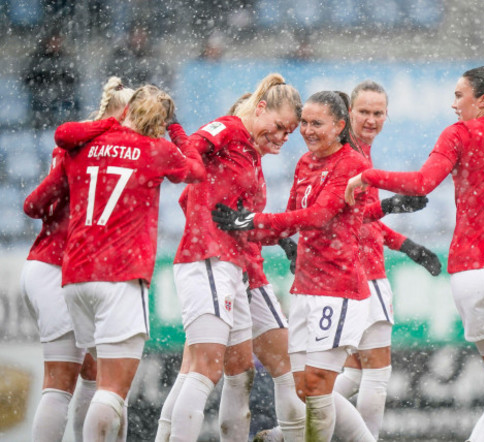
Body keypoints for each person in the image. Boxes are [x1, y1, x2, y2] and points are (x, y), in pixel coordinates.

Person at [345, 66, 484, 442]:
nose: (454, 103)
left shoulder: (459, 134)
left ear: (483, 100)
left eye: (460, 95)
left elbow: (422, 182)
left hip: (468, 273)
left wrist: (371, 177)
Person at [214, 90, 380, 442]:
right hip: (306, 287)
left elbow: (318, 216)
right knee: (305, 387)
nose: (306, 130)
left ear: (339, 126)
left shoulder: (352, 164)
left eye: (316, 123)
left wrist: (250, 221)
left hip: (339, 289)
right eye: (303, 122)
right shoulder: (305, 163)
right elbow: (289, 223)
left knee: (318, 385)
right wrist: (250, 229)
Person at [51, 84, 205, 441]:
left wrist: (113, 123)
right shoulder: (156, 149)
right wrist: (177, 130)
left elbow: (63, 135)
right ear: (160, 121)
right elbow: (197, 170)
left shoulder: (84, 143)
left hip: (76, 275)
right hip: (119, 274)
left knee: (94, 382)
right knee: (112, 391)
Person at [155, 84, 305, 442]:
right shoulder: (229, 129)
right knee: (203, 368)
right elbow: (190, 153)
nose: (283, 137)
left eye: (289, 133)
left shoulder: (251, 155)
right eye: (280, 126)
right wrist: (173, 126)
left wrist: (281, 240)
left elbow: (239, 216)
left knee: (229, 371)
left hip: (231, 264)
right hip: (208, 257)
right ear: (260, 108)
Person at [21, 76, 134, 442]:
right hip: (62, 268)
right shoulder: (115, 150)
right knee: (65, 381)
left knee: (92, 372)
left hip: (50, 262)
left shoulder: (76, 146)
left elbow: (34, 205)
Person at [331, 80, 441, 440]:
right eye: (364, 111)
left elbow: (364, 221)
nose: (371, 119)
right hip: (363, 274)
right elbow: (345, 218)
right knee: (376, 374)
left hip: (346, 271)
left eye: (378, 113)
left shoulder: (357, 153)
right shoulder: (351, 158)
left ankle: (292, 426)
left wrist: (409, 246)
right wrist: (391, 206)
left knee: (354, 374)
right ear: (349, 113)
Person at [22, 24, 80, 128]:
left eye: (58, 41)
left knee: (72, 105)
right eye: (53, 40)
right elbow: (28, 78)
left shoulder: (65, 58)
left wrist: (61, 88)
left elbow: (74, 78)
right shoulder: (37, 59)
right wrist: (44, 88)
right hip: (42, 96)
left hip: (62, 96)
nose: (56, 44)